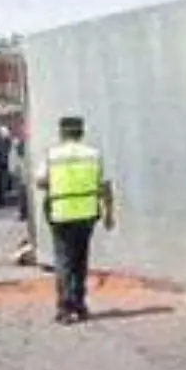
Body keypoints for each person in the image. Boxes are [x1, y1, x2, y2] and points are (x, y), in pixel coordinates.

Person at [34, 115, 113, 324]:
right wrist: (109, 214)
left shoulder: (52, 155)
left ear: (61, 133)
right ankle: (79, 303)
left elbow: (40, 182)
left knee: (63, 260)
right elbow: (105, 186)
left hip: (60, 212)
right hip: (86, 213)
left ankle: (65, 307)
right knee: (80, 259)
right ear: (81, 132)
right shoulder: (93, 154)